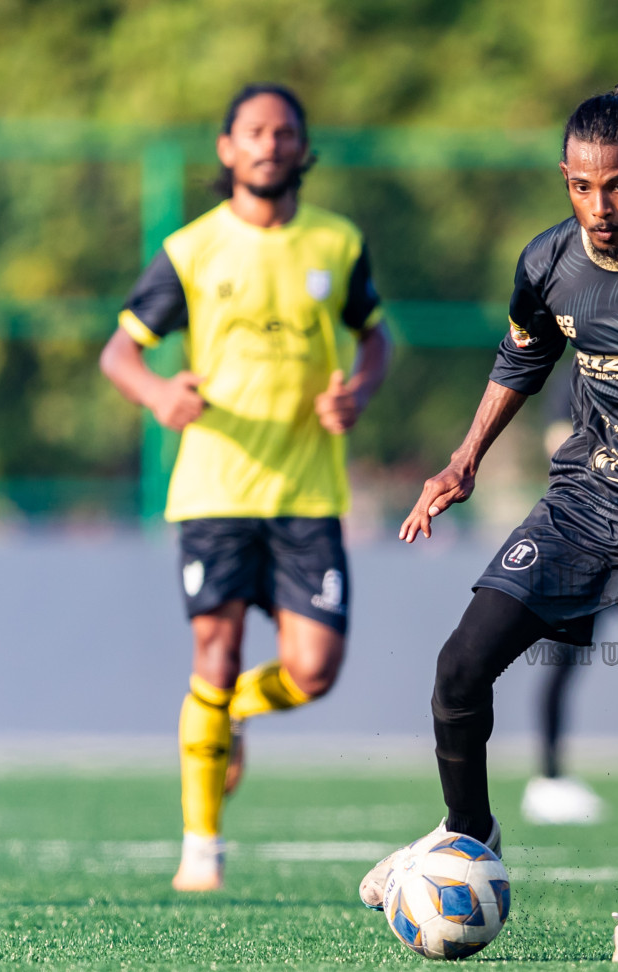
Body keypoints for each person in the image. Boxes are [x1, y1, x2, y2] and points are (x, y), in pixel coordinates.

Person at [358, 68, 618, 962]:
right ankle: (470, 835)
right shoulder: (548, 261)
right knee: (458, 670)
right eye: (582, 185)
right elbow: (522, 358)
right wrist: (464, 458)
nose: (601, 204)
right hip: (589, 500)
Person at [99, 83, 391, 892]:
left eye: (284, 132)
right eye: (254, 132)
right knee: (214, 651)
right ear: (227, 148)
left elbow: (377, 340)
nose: (269, 144)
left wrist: (358, 393)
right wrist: (159, 394)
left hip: (306, 493)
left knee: (314, 670)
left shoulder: (336, 242)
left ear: (303, 149)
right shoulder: (191, 249)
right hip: (214, 490)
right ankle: (202, 849)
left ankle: (228, 718)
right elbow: (120, 354)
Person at [521, 369, 618, 826]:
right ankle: (549, 778)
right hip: (589, 534)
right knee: (562, 656)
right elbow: (560, 442)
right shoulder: (581, 372)